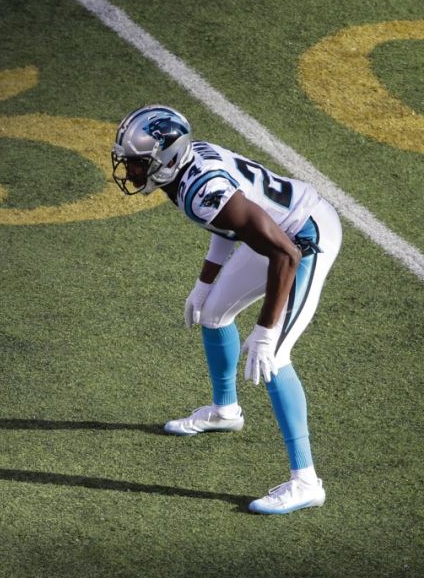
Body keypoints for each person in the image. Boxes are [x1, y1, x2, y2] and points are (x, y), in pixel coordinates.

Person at [111, 105, 343, 515]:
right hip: (276, 236)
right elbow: (226, 224)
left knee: (274, 356)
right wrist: (204, 285)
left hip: (304, 238)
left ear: (164, 159)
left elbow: (284, 254)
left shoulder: (202, 186)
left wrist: (268, 329)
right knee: (214, 313)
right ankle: (225, 411)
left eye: (135, 163)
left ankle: (306, 481)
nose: (128, 171)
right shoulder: (186, 170)